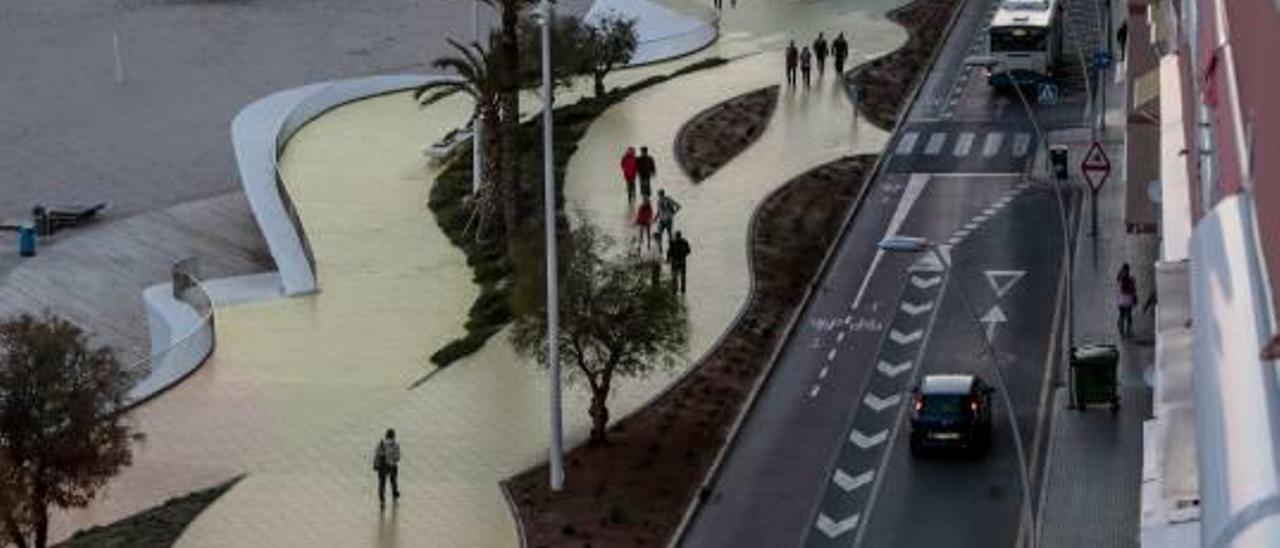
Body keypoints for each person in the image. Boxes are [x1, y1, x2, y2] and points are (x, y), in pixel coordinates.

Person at [373, 429, 401, 509]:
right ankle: (395, 496)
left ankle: (382, 501)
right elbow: (397, 458)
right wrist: (392, 459)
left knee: (382, 484)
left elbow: (377, 455)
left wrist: (376, 464)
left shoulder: (381, 443)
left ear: (386, 435)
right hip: (392, 466)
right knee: (393, 481)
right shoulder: (395, 444)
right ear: (393, 436)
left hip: (382, 466)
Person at [1116, 263, 1137, 337]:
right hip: (1126, 299)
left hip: (1122, 300)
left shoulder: (1120, 278)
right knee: (1127, 316)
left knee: (1124, 315)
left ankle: (1123, 329)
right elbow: (1131, 289)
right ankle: (1126, 330)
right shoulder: (1127, 279)